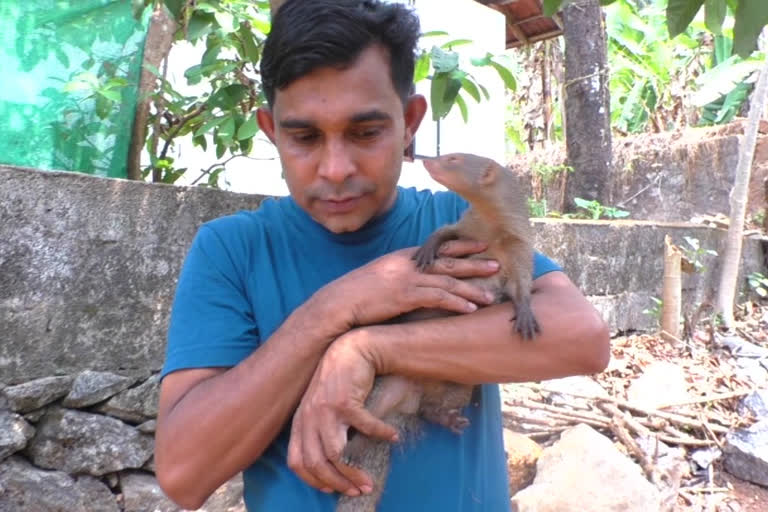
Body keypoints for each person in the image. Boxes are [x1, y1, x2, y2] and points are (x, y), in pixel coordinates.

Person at [154, 0, 610, 510]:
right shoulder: (232, 251)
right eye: (304, 137)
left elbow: (583, 339)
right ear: (270, 131)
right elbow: (183, 474)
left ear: (410, 121)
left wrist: (368, 348)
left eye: (365, 132)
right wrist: (333, 311)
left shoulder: (458, 220)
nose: (335, 168)